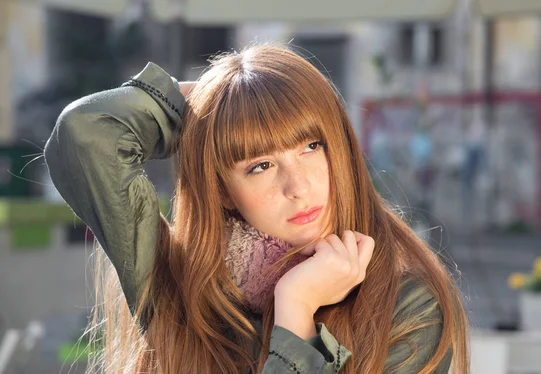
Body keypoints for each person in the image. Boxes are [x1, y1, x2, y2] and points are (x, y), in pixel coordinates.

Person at [44, 44, 469, 374]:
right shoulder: (181, 282)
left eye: (311, 147)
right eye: (260, 165)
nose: (298, 187)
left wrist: (297, 309)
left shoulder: (407, 303)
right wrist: (208, 106)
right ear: (223, 191)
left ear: (338, 148)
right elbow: (86, 136)